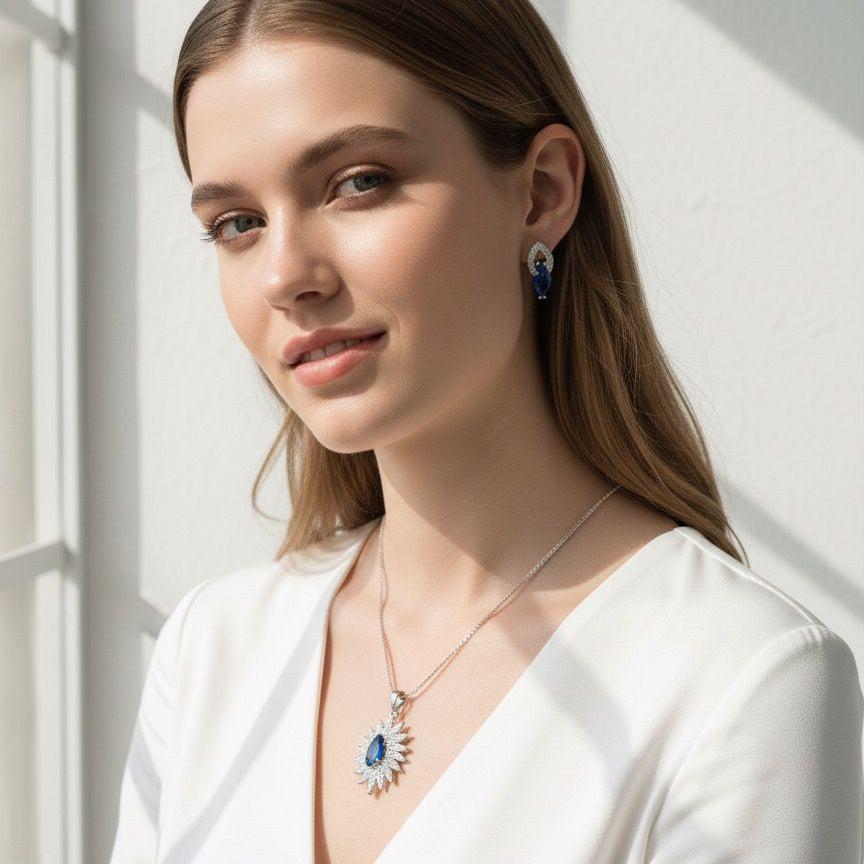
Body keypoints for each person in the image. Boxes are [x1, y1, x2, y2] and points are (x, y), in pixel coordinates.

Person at [109, 1, 863, 862]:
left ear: (542, 191)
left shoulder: (742, 678)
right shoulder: (213, 650)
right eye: (236, 224)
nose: (285, 275)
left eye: (358, 182)